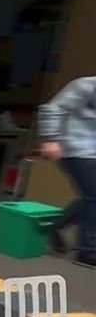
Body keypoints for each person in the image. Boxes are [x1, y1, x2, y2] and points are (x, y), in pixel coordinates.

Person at [40, 76, 96, 267]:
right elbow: (53, 109)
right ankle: (87, 251)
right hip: (76, 149)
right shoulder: (86, 85)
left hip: (93, 152)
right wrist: (50, 139)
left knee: (90, 197)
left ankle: (54, 226)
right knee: (94, 196)